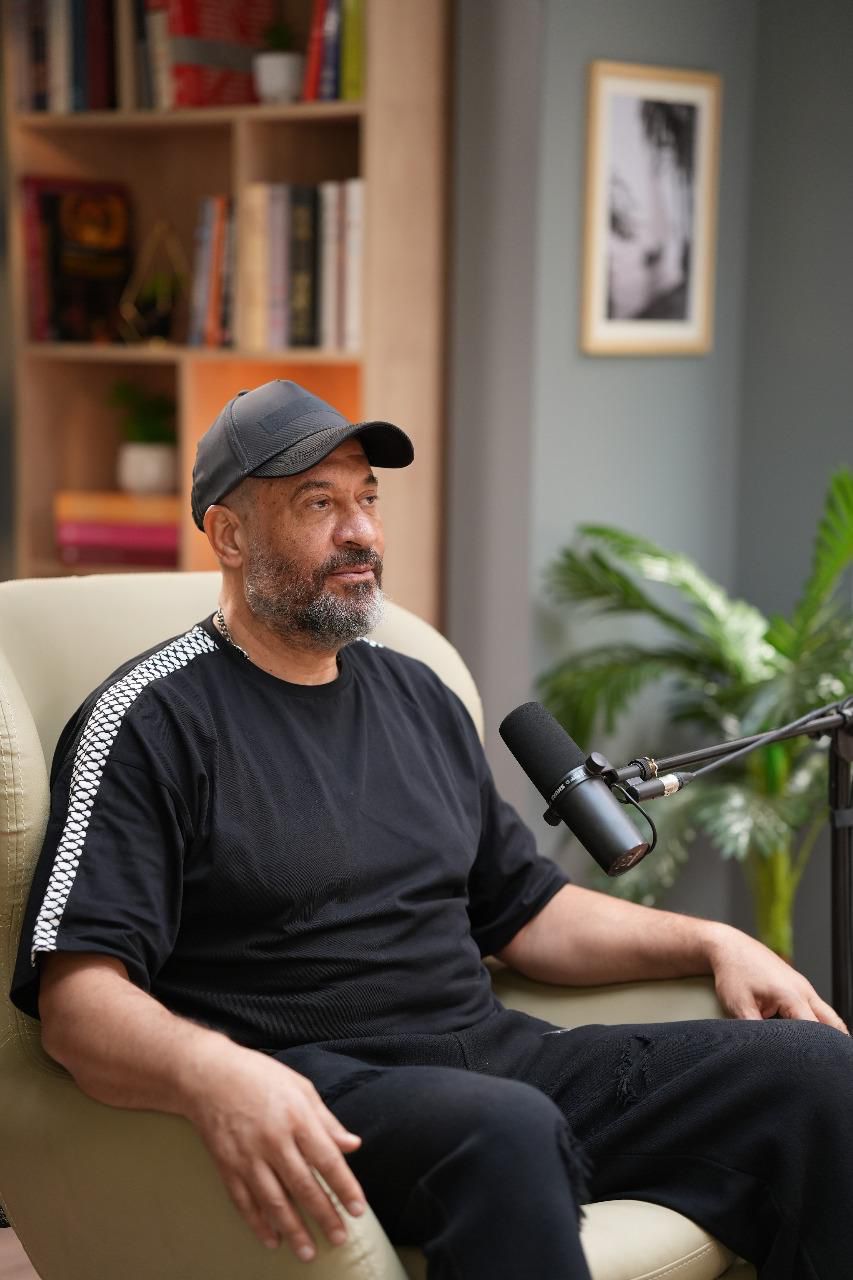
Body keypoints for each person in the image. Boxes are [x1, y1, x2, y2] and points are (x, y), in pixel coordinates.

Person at [11, 380, 853, 1279]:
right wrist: (217, 1074)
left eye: (368, 498)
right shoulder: (150, 722)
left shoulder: (417, 692)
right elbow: (78, 1004)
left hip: (493, 1061)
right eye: (319, 504)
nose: (361, 532)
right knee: (504, 1129)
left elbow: (528, 914)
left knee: (812, 1071)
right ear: (228, 535)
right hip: (313, 1086)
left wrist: (715, 940)